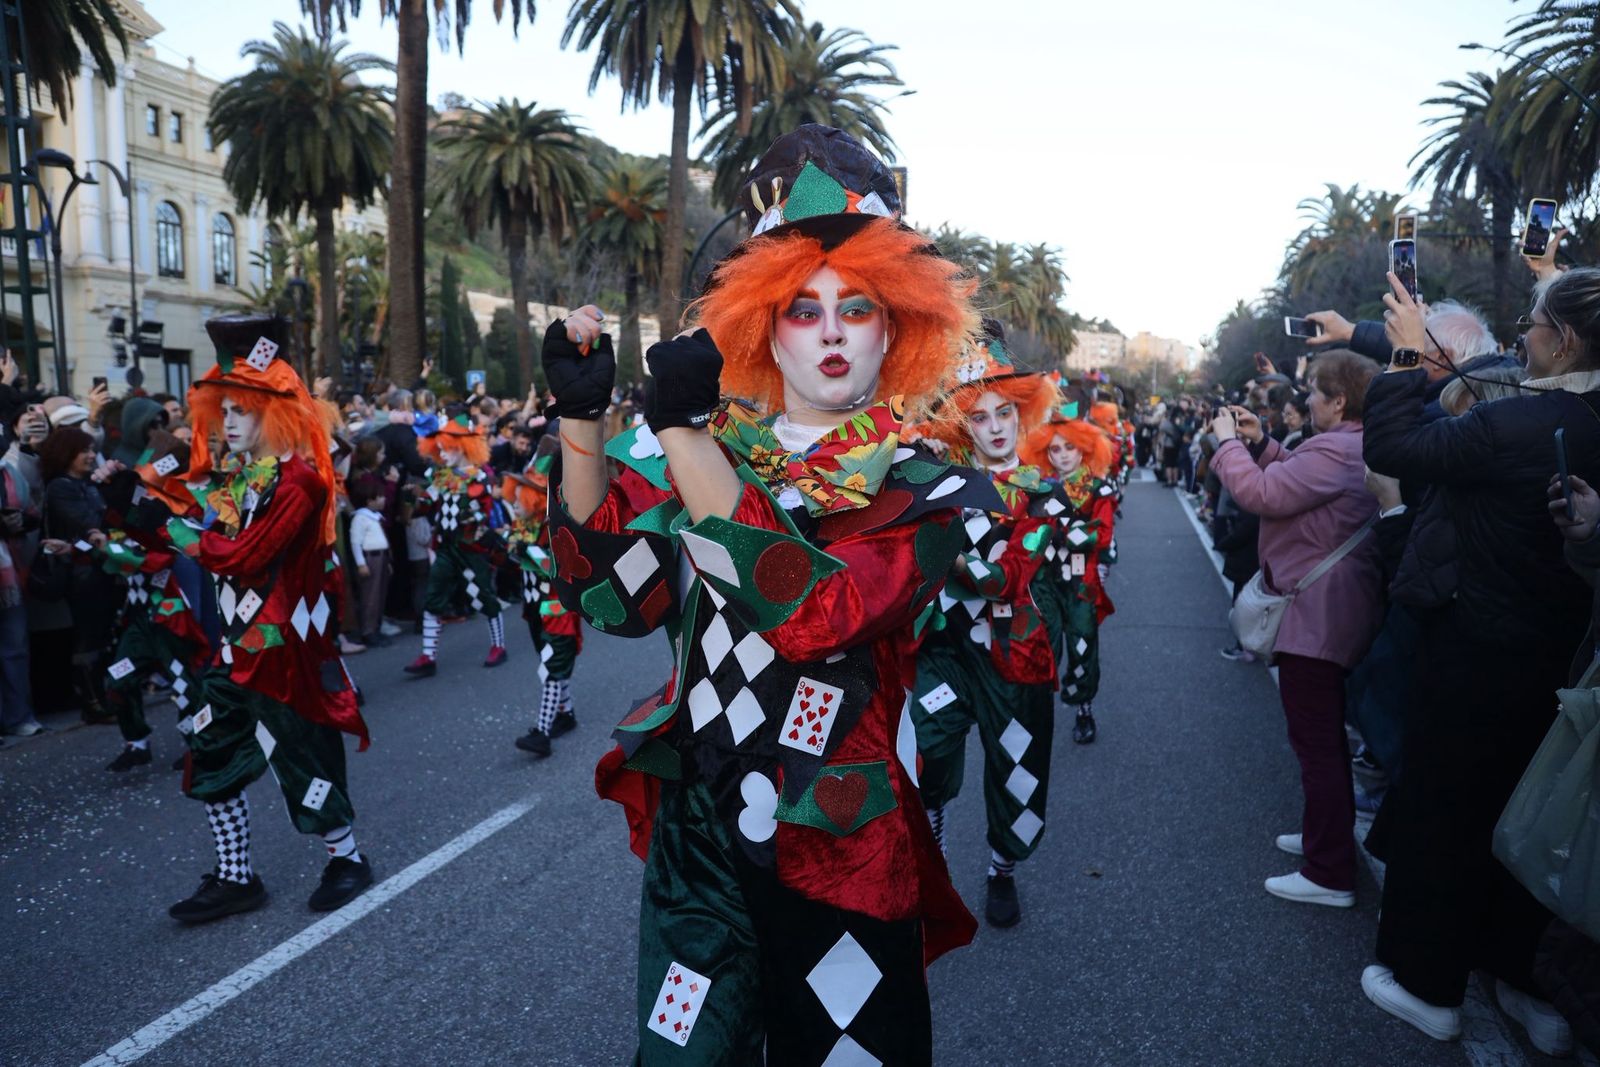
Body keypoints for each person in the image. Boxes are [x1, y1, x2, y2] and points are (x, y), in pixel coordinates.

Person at [545, 125, 988, 1064]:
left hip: (838, 846)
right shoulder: (704, 452)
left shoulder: (928, 490)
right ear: (763, 327)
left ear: (896, 326)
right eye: (801, 307)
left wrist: (683, 439)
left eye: (857, 306)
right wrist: (582, 424)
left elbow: (813, 612)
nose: (830, 330)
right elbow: (614, 600)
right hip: (701, 838)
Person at [1356, 269, 1600, 1052]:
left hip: (1478, 655)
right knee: (1527, 828)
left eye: (1531, 322)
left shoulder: (1527, 422)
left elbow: (1395, 444)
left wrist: (1400, 360)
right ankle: (1530, 987)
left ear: (1561, 341)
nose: (1519, 335)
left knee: (1446, 819)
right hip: (1567, 664)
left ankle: (1426, 986)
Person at [161, 313, 373, 923]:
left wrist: (189, 538)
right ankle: (236, 875)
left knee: (302, 753)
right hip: (234, 653)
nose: (226, 421)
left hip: (285, 651)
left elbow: (247, 557)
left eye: (240, 410)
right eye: (222, 409)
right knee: (207, 747)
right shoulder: (240, 479)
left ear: (272, 414)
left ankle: (347, 858)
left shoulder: (300, 482)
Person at [1209, 350, 1384, 910]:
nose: (1305, 399)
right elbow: (1293, 477)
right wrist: (1261, 444)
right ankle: (1321, 841)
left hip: (1317, 615)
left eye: (1314, 391)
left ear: (1338, 401)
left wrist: (1228, 446)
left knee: (1317, 744)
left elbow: (1264, 493)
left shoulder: (1338, 447)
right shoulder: (1352, 444)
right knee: (1322, 738)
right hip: (1331, 609)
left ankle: (1329, 871)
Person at [911, 321, 1068, 929]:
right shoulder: (941, 482)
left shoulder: (1044, 497)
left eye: (1006, 413)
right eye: (981, 418)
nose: (998, 427)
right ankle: (935, 858)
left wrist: (941, 549)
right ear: (963, 425)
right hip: (947, 648)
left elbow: (1003, 578)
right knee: (924, 748)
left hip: (1014, 657)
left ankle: (1002, 870)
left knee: (1017, 770)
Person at [1019, 411, 1117, 743]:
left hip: (1081, 582)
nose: (1062, 455)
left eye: (1069, 448)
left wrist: (1057, 533)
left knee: (1082, 643)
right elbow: (1026, 532)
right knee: (1043, 645)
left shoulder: (1099, 487)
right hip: (1044, 579)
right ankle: (1039, 711)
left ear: (1084, 449)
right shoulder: (1038, 486)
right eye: (1055, 449)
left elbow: (1102, 533)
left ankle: (1083, 708)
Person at [403, 412, 507, 677]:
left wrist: (469, 516)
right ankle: (428, 656)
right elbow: (427, 502)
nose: (443, 454)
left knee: (482, 595)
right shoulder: (441, 476)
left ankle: (499, 645)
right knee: (433, 596)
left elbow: (484, 512)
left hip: (471, 549)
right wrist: (415, 501)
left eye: (447, 449)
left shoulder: (479, 477)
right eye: (440, 449)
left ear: (462, 447)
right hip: (447, 548)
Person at [503, 431, 583, 758]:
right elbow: (512, 554)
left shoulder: (559, 527)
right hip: (535, 606)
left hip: (558, 609)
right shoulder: (523, 526)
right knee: (548, 662)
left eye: (523, 495)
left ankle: (542, 732)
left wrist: (529, 553)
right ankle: (566, 713)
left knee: (552, 667)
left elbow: (563, 565)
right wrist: (508, 549)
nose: (515, 500)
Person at [349, 483, 392, 648]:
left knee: (380, 594)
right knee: (370, 596)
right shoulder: (360, 518)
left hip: (381, 557)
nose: (383, 499)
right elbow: (355, 542)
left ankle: (376, 628)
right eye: (379, 496)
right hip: (370, 559)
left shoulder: (375, 517)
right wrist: (361, 563)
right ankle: (368, 631)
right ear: (368, 500)